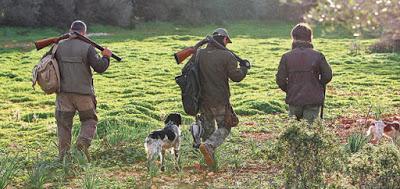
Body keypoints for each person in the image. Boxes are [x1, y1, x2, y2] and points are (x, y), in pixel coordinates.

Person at [51, 20, 112, 161]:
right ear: (84, 32)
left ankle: (63, 156)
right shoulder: (88, 47)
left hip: (63, 94)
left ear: (70, 29)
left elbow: (46, 63)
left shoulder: (58, 45)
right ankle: (83, 142)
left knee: (63, 125)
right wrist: (106, 56)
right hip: (84, 94)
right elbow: (100, 67)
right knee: (89, 119)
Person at [197, 28, 249, 167]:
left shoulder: (199, 54)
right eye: (227, 40)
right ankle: (209, 146)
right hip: (220, 100)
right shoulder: (227, 56)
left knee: (207, 132)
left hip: (202, 101)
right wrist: (244, 68)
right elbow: (236, 77)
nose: (227, 43)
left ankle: (210, 165)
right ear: (224, 39)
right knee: (226, 126)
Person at [276, 23, 332, 123]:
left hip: (294, 99)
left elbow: (280, 80)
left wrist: (290, 89)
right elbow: (327, 76)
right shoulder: (318, 56)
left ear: (293, 37)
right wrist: (317, 86)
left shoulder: (286, 57)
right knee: (310, 131)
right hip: (313, 99)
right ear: (310, 38)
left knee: (294, 131)